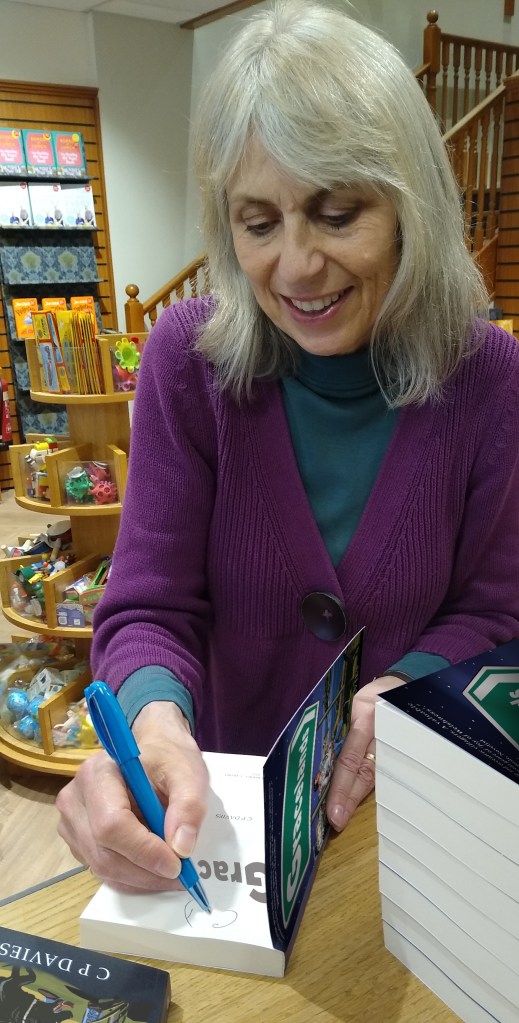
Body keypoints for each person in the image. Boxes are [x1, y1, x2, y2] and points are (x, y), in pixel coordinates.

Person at [57, 0, 519, 893]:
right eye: (258, 223)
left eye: (337, 213)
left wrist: (409, 692)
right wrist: (153, 727)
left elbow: (495, 611)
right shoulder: (188, 365)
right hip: (223, 842)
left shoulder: (489, 378)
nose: (296, 267)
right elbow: (149, 607)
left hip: (421, 828)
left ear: (409, 206)